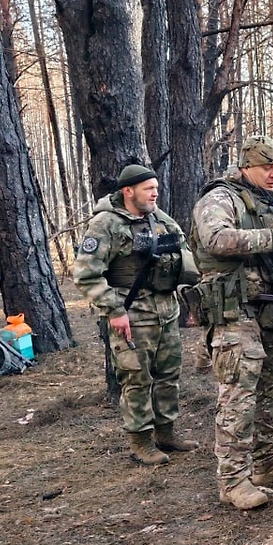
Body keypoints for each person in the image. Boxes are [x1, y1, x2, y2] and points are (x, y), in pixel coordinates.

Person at [192, 135, 273, 509]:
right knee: (238, 396)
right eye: (266, 167)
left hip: (267, 312)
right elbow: (215, 239)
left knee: (269, 386)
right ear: (246, 166)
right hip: (232, 312)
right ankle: (232, 480)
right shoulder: (220, 198)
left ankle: (268, 463)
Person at [74, 164, 200, 465]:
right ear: (128, 191)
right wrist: (114, 310)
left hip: (166, 310)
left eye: (156, 187)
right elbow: (87, 275)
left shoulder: (159, 218)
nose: (155, 192)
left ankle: (165, 432)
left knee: (168, 376)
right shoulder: (106, 223)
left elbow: (186, 257)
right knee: (137, 379)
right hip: (131, 314)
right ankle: (141, 441)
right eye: (148, 188)